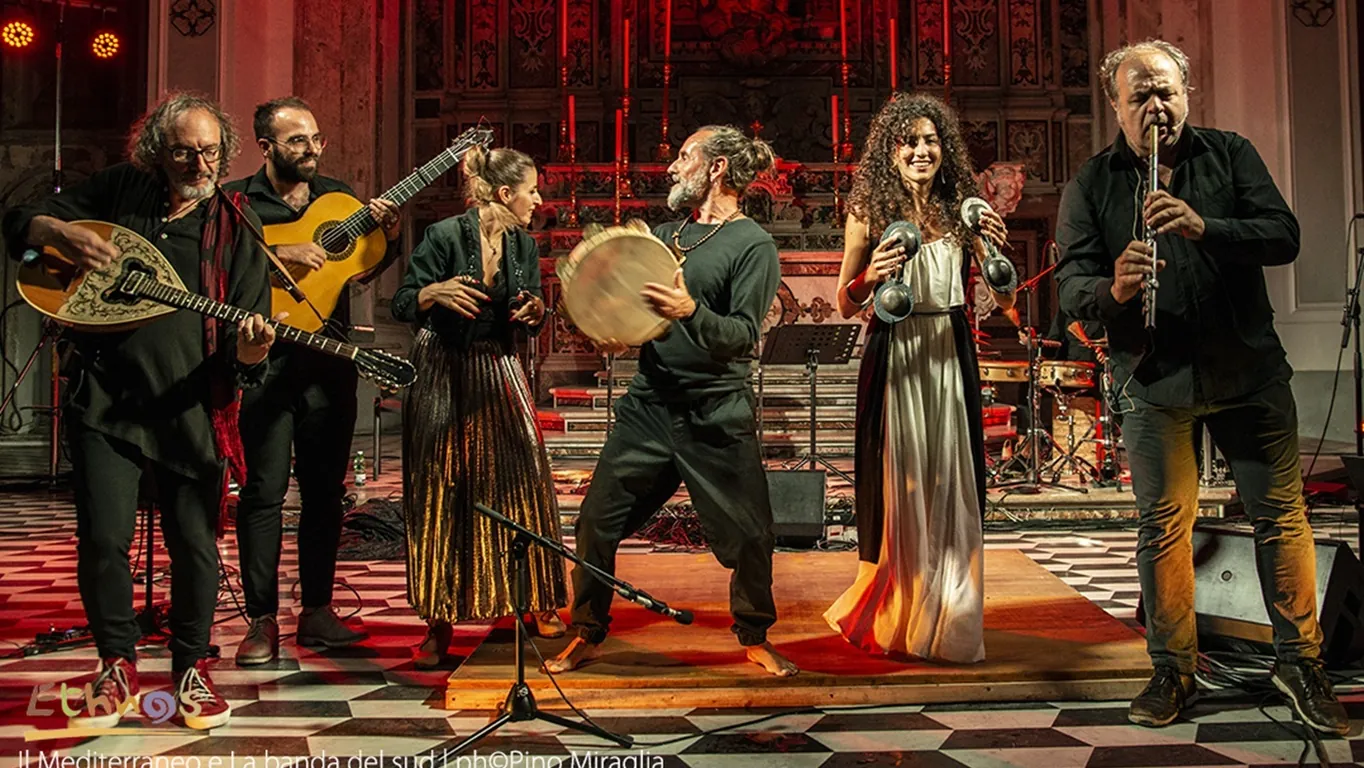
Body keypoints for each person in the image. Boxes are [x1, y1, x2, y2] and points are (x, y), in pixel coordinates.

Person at [1055, 39, 1349, 735]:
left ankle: (1299, 663)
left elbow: (1283, 236)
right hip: (1155, 379)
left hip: (1246, 369)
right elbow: (1071, 285)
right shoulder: (1092, 184)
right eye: (1141, 96)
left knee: (1281, 519)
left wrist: (1205, 226)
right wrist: (1112, 289)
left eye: (1167, 92)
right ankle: (1173, 669)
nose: (1156, 107)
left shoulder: (1231, 153)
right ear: (1116, 107)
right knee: (1163, 530)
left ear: (1187, 93)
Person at [1, 93, 277, 730]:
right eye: (183, 150)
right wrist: (59, 231)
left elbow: (248, 356)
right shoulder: (120, 190)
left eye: (209, 150)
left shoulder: (237, 225)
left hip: (192, 406)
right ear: (159, 148)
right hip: (107, 401)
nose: (198, 162)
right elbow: (22, 219)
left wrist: (252, 349)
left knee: (195, 548)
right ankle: (115, 665)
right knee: (103, 541)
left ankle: (190, 670)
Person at [546, 126, 798, 677]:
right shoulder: (663, 235)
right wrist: (608, 326)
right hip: (649, 407)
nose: (671, 167)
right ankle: (587, 630)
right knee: (595, 521)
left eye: (685, 156)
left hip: (714, 409)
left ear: (717, 169)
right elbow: (630, 317)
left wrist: (690, 312)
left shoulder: (751, 244)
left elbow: (740, 336)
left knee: (752, 534)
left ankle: (754, 634)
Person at [823, 93, 1013, 662]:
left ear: (944, 148)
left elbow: (1002, 298)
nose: (921, 150)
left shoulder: (964, 206)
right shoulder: (869, 209)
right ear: (892, 150)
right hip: (898, 355)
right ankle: (901, 608)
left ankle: (951, 614)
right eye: (909, 142)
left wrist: (999, 262)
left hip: (949, 351)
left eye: (931, 140)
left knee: (949, 479)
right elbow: (843, 302)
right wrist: (871, 277)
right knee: (903, 486)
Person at [224, 97, 401, 665]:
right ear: (266, 145)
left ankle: (319, 611)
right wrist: (278, 251)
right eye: (297, 140)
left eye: (316, 139)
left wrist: (388, 238)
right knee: (264, 494)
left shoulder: (336, 198)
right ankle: (262, 620)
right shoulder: (237, 203)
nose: (311, 149)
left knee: (326, 493)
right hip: (266, 361)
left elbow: (359, 267)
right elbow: (217, 265)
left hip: (330, 363)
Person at [390, 146, 567, 667]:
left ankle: (536, 600)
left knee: (523, 477)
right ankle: (439, 620)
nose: (539, 199)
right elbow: (404, 301)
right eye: (532, 190)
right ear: (505, 193)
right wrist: (431, 293)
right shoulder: (444, 236)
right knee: (442, 484)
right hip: (443, 367)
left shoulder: (523, 245)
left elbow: (531, 308)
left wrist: (535, 310)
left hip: (498, 364)